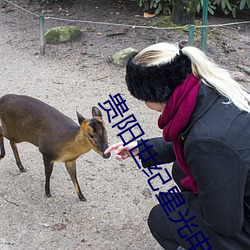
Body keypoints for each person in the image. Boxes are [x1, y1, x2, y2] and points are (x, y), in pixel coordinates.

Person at [104, 42, 250, 250]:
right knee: (181, 169)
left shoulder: (207, 142)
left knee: (162, 217)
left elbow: (225, 224)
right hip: (240, 185)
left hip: (241, 223)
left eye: (143, 97)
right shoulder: (208, 87)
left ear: (155, 93)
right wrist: (143, 148)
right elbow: (191, 138)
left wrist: (190, 207)